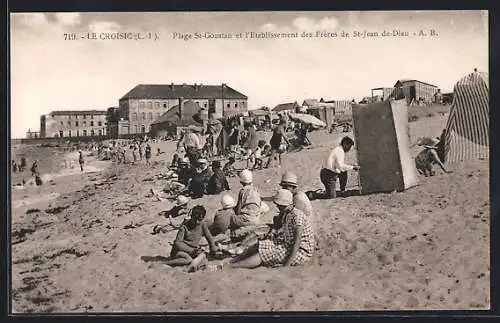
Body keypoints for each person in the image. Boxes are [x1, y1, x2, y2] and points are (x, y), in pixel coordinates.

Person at [220, 189, 315, 269]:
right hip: (288, 244)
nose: (277, 207)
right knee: (259, 244)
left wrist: (287, 265)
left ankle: (233, 266)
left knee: (265, 253)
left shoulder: (296, 216)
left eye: (279, 205)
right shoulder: (288, 214)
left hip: (301, 251)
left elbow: (297, 243)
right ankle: (232, 262)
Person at [165, 205, 218, 269]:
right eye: (195, 219)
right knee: (188, 259)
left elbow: (209, 237)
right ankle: (166, 263)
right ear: (192, 217)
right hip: (179, 251)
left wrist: (213, 250)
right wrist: (191, 250)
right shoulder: (184, 227)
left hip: (192, 251)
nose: (197, 222)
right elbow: (177, 243)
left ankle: (193, 265)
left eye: (199, 219)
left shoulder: (202, 225)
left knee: (204, 255)